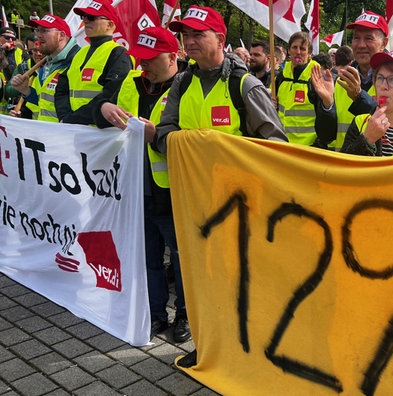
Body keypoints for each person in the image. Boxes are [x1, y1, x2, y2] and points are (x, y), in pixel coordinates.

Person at [91, 26, 190, 343]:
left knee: (182, 261)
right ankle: (157, 314)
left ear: (172, 57)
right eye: (140, 58)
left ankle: (186, 317)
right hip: (135, 191)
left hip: (173, 192)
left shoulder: (187, 87)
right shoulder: (130, 83)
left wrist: (156, 137)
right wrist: (103, 107)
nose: (143, 65)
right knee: (149, 259)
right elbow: (98, 109)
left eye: (151, 59)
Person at [155, 5, 287, 157]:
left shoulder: (246, 85)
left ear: (220, 40)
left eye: (198, 35)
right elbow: (164, 133)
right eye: (185, 35)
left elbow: (277, 143)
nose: (189, 42)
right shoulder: (181, 82)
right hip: (189, 179)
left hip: (235, 179)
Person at [54, 0, 132, 125]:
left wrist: (72, 119)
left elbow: (111, 96)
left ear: (109, 24)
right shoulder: (80, 52)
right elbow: (62, 88)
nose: (85, 21)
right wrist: (65, 117)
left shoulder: (118, 54)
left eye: (91, 17)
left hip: (99, 133)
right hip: (73, 128)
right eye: (83, 17)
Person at [327, 10, 389, 150]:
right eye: (356, 38)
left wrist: (359, 96)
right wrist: (325, 106)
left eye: (368, 38)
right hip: (344, 165)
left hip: (380, 167)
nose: (361, 45)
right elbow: (328, 136)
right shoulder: (340, 80)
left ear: (384, 43)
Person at [11, 14, 80, 122]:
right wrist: (26, 91)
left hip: (69, 135)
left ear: (61, 35)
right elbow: (43, 102)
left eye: (44, 31)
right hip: (47, 134)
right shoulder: (46, 65)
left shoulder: (79, 61)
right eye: (37, 30)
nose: (38, 35)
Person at [275, 31, 335, 147]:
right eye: (295, 47)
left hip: (308, 148)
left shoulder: (316, 78)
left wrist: (317, 143)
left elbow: (326, 118)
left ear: (309, 54)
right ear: (288, 51)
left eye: (302, 49)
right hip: (282, 144)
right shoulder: (281, 77)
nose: (298, 52)